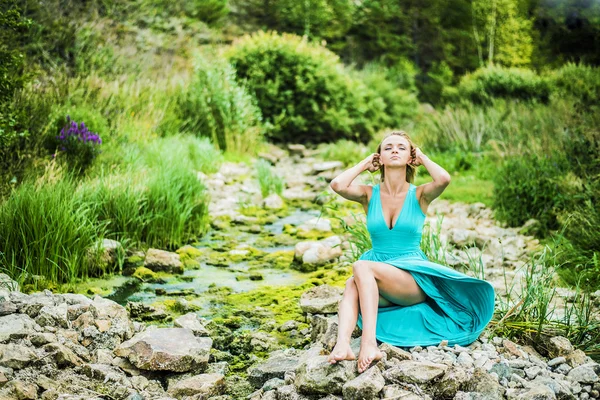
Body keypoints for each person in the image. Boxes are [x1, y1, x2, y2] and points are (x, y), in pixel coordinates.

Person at [327, 130, 496, 374]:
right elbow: (337, 185)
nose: (394, 150)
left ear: (410, 157)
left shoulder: (419, 195)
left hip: (412, 278)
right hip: (379, 277)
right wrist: (365, 164)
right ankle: (343, 345)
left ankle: (369, 343)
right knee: (352, 283)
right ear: (380, 157)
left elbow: (443, 179)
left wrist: (423, 158)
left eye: (401, 147)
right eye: (388, 147)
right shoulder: (368, 194)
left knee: (360, 267)